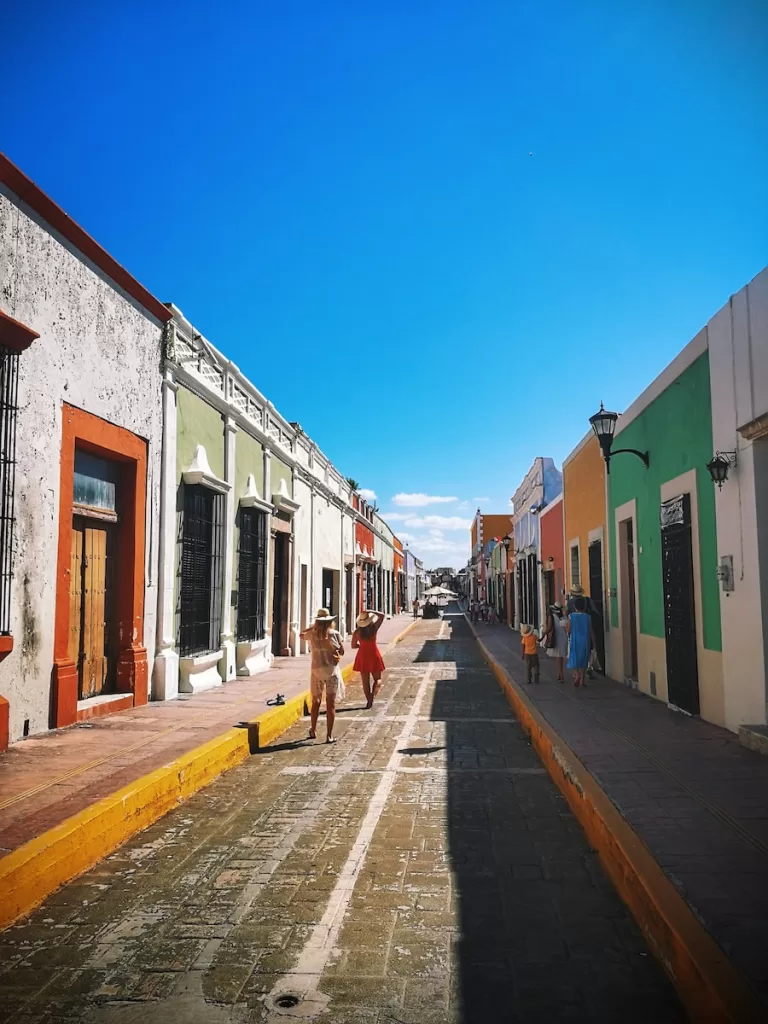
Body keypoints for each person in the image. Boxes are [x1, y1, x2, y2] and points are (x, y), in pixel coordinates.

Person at [299, 608, 344, 743]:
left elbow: (301, 634)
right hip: (331, 671)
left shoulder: (312, 634)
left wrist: (313, 626)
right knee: (330, 704)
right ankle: (329, 735)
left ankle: (313, 730)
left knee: (316, 702)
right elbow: (342, 652)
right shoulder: (334, 634)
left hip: (316, 671)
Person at [352, 610, 386, 708]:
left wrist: (361, 645)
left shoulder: (357, 632)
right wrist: (371, 611)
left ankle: (369, 701)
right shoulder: (373, 628)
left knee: (365, 681)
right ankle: (372, 696)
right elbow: (382, 615)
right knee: (378, 679)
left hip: (362, 655)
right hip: (373, 654)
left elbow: (353, 645)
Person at [566, 584, 602, 679]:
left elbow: (567, 615)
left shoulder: (570, 603)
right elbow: (596, 612)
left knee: (575, 655)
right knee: (586, 654)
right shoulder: (588, 600)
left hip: (575, 633)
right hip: (586, 630)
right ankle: (585, 673)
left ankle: (576, 674)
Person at [566, 596, 596, 688]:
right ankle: (582, 680)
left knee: (574, 658)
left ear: (575, 607)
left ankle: (577, 674)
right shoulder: (588, 617)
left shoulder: (571, 616)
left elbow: (569, 629)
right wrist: (594, 643)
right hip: (585, 641)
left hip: (575, 640)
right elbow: (591, 631)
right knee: (584, 659)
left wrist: (567, 631)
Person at [543, 604, 568, 683]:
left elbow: (549, 628)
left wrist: (543, 635)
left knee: (558, 658)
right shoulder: (565, 617)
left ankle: (560, 675)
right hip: (564, 638)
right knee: (561, 657)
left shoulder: (552, 617)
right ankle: (561, 675)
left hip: (556, 638)